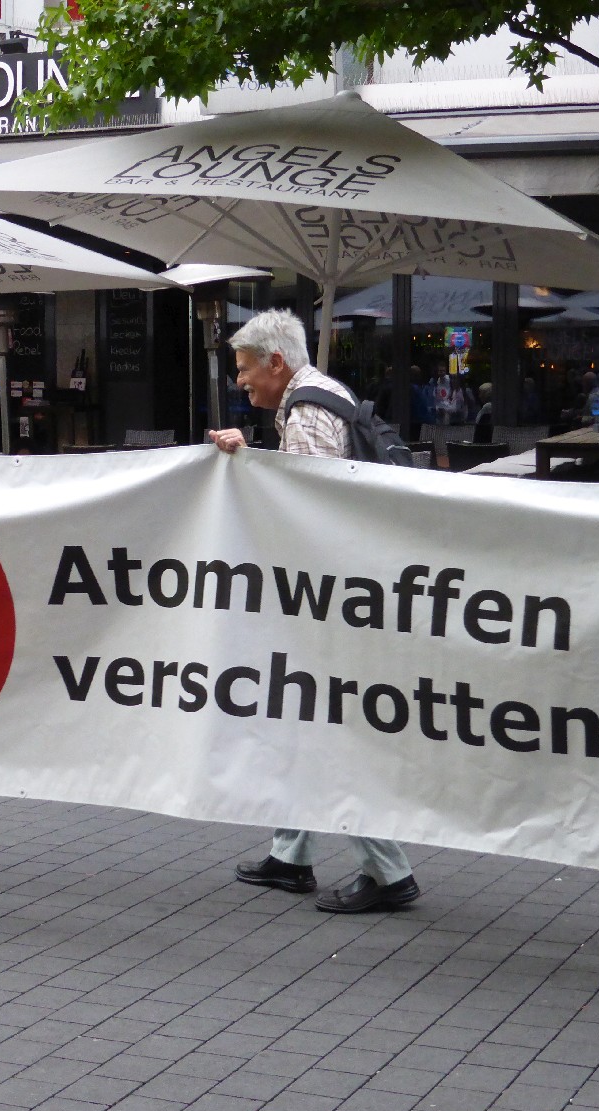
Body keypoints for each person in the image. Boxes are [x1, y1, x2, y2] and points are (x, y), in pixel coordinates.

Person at [208, 309, 422, 914]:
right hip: (348, 590)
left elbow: (308, 504)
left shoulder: (306, 411)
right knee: (300, 718)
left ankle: (389, 872)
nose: (240, 381)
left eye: (245, 369)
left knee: (330, 726)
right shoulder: (325, 395)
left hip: (330, 601)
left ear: (276, 362)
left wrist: (248, 463)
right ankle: (290, 853)